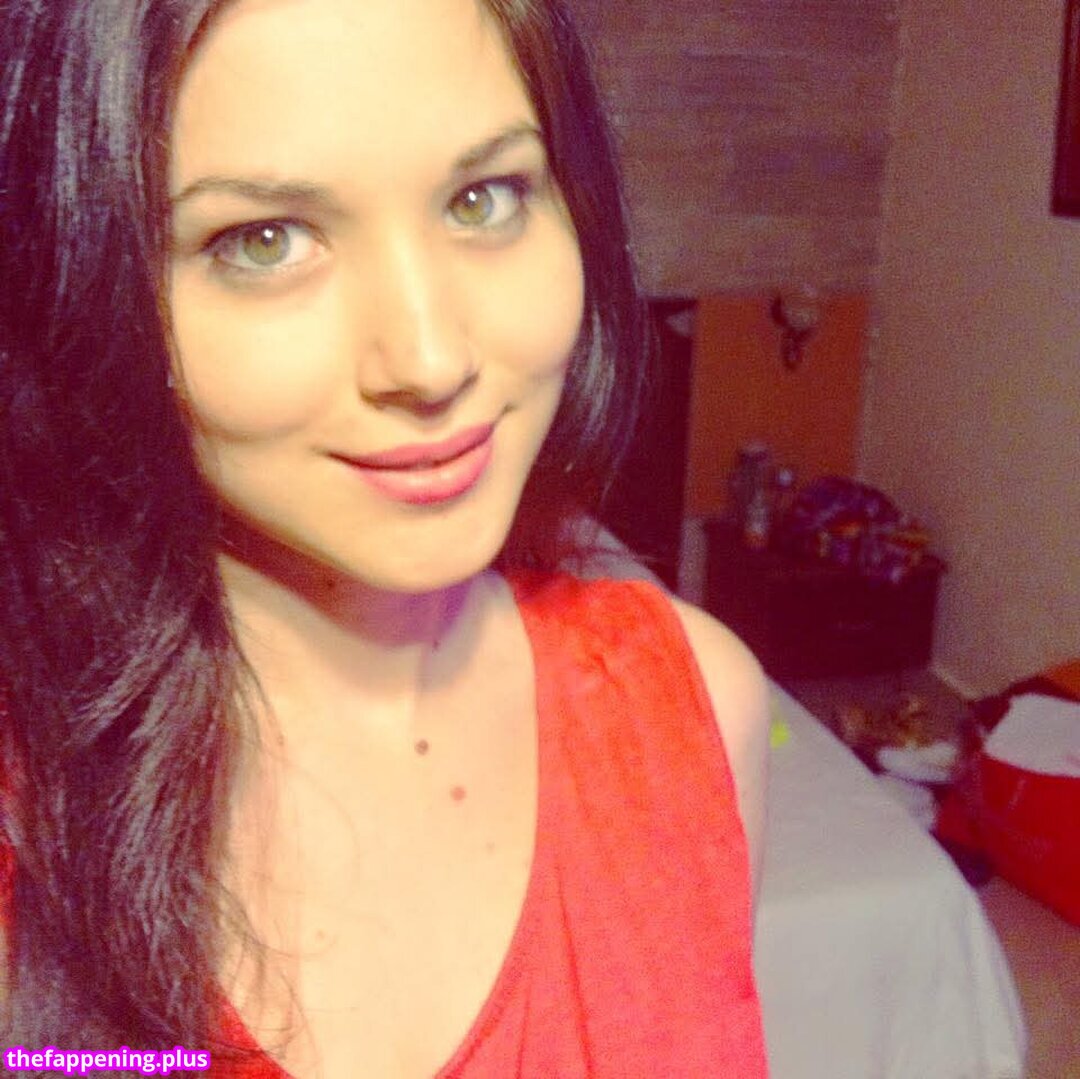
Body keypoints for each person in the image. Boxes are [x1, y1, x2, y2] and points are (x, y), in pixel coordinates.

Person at [0, 0, 769, 1074]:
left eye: (483, 198)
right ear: (82, 288)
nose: (430, 360)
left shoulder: (701, 705)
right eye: (263, 241)